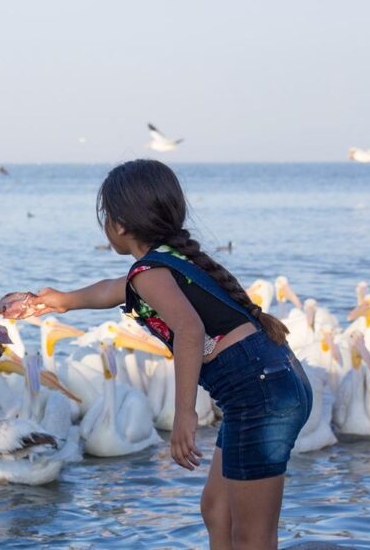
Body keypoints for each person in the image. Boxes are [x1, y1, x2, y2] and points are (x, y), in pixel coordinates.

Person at [29, 159, 312, 550]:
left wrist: (184, 415)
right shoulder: (166, 262)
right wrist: (60, 301)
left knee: (252, 535)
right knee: (217, 510)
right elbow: (110, 290)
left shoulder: (149, 272)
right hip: (267, 383)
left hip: (259, 391)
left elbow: (190, 331)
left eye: (105, 215)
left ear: (120, 225)